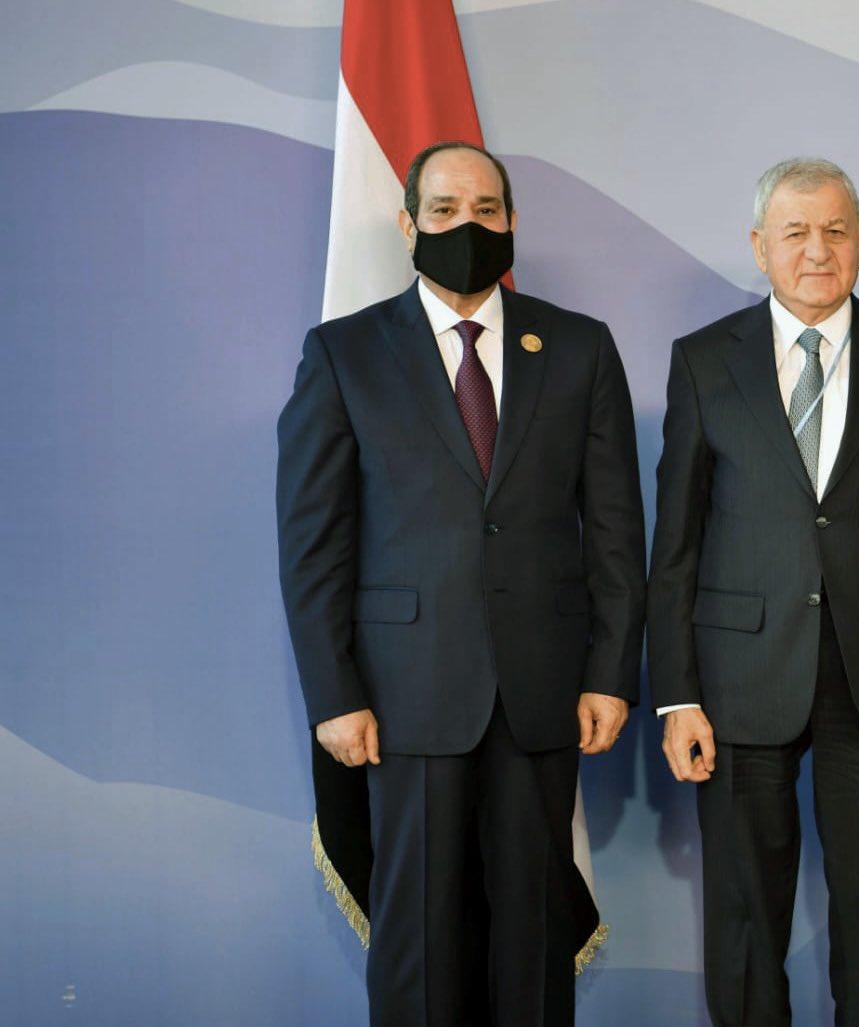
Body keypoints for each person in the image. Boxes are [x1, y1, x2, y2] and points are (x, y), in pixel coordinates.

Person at [276, 140, 646, 1026]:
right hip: (403, 700)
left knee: (533, 940)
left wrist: (608, 672)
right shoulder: (344, 353)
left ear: (512, 222)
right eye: (443, 210)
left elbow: (616, 532)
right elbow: (313, 544)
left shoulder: (579, 347)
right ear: (409, 226)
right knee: (419, 942)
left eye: (485, 209)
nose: (465, 226)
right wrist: (335, 694)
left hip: (541, 693)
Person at [647, 157, 859, 1026]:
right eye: (795, 232)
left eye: (834, 230)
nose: (816, 250)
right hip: (736, 679)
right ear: (760, 246)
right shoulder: (703, 360)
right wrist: (676, 695)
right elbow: (674, 545)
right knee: (745, 917)